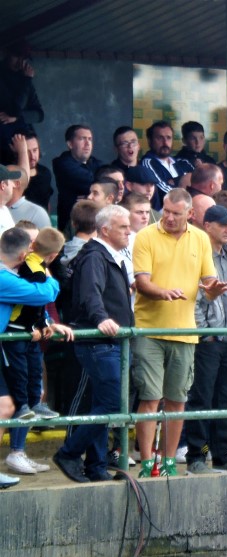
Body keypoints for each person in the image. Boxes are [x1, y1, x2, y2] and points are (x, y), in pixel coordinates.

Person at [132, 188, 227, 478]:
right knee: (149, 397)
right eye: (165, 210)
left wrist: (214, 290)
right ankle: (148, 462)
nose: (168, 217)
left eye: (176, 213)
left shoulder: (200, 237)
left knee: (177, 399)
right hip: (149, 328)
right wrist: (162, 292)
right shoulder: (146, 236)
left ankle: (169, 460)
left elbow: (208, 283)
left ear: (190, 214)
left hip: (186, 332)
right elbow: (141, 283)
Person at [52, 206, 133, 482]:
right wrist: (100, 318)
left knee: (103, 403)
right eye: (123, 227)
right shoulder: (94, 256)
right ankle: (69, 452)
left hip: (110, 342)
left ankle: (97, 467)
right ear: (106, 230)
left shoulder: (107, 255)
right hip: (100, 342)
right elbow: (90, 293)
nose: (129, 231)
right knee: (110, 403)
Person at [184, 206, 227, 475]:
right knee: (202, 397)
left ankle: (222, 454)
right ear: (207, 225)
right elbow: (194, 297)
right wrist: (204, 332)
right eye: (223, 224)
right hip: (210, 338)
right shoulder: (198, 253)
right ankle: (196, 457)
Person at [3, 226, 72, 476]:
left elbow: (40, 303)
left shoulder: (29, 268)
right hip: (13, 335)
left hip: (26, 333)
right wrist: (50, 276)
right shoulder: (17, 272)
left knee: (31, 386)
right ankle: (17, 446)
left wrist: (44, 324)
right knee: (13, 396)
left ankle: (18, 450)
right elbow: (42, 294)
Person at [52, 124, 102, 230]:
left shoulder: (97, 163)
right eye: (82, 139)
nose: (87, 143)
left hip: (95, 224)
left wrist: (87, 198)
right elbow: (92, 182)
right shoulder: (62, 163)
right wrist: (98, 194)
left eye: (90, 139)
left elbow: (109, 183)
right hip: (72, 225)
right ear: (70, 144)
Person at [140, 120, 194, 210]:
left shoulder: (184, 162)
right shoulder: (148, 163)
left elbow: (200, 182)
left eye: (168, 138)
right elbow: (164, 192)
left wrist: (174, 181)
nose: (165, 143)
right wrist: (183, 180)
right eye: (160, 138)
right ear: (150, 141)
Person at [0, 40, 43, 145]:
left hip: (25, 138)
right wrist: (26, 81)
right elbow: (15, 108)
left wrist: (17, 118)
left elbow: (39, 114)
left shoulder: (24, 79)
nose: (20, 62)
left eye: (23, 58)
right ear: (7, 53)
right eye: (16, 56)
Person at [21, 130, 53, 212]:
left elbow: (47, 202)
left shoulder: (45, 173)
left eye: (35, 150)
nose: (32, 156)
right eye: (27, 152)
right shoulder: (13, 176)